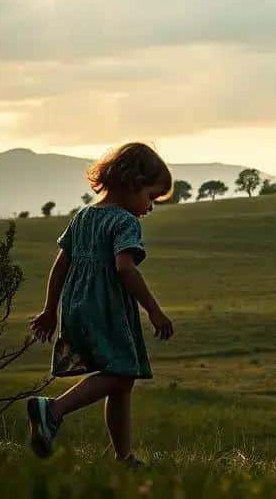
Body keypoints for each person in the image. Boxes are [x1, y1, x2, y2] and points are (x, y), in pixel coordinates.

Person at [26, 142, 176, 467]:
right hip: (107, 309)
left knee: (121, 383)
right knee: (122, 374)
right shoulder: (124, 222)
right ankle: (53, 410)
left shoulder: (83, 217)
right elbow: (125, 268)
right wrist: (154, 309)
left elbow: (60, 265)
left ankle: (124, 457)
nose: (150, 207)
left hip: (76, 307)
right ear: (133, 183)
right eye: (151, 197)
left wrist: (51, 309)